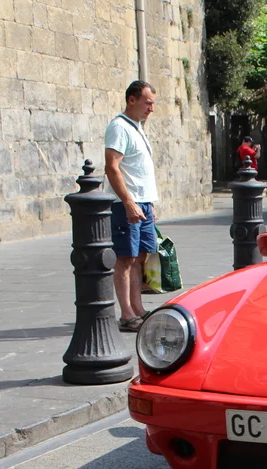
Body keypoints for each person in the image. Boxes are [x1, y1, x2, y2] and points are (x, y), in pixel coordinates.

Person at [104, 80, 158, 332]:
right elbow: (112, 167)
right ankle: (126, 313)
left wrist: (148, 203)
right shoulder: (119, 127)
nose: (151, 108)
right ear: (132, 100)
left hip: (143, 203)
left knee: (140, 257)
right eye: (147, 103)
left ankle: (137, 308)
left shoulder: (136, 127)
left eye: (153, 104)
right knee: (125, 258)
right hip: (127, 204)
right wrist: (128, 202)